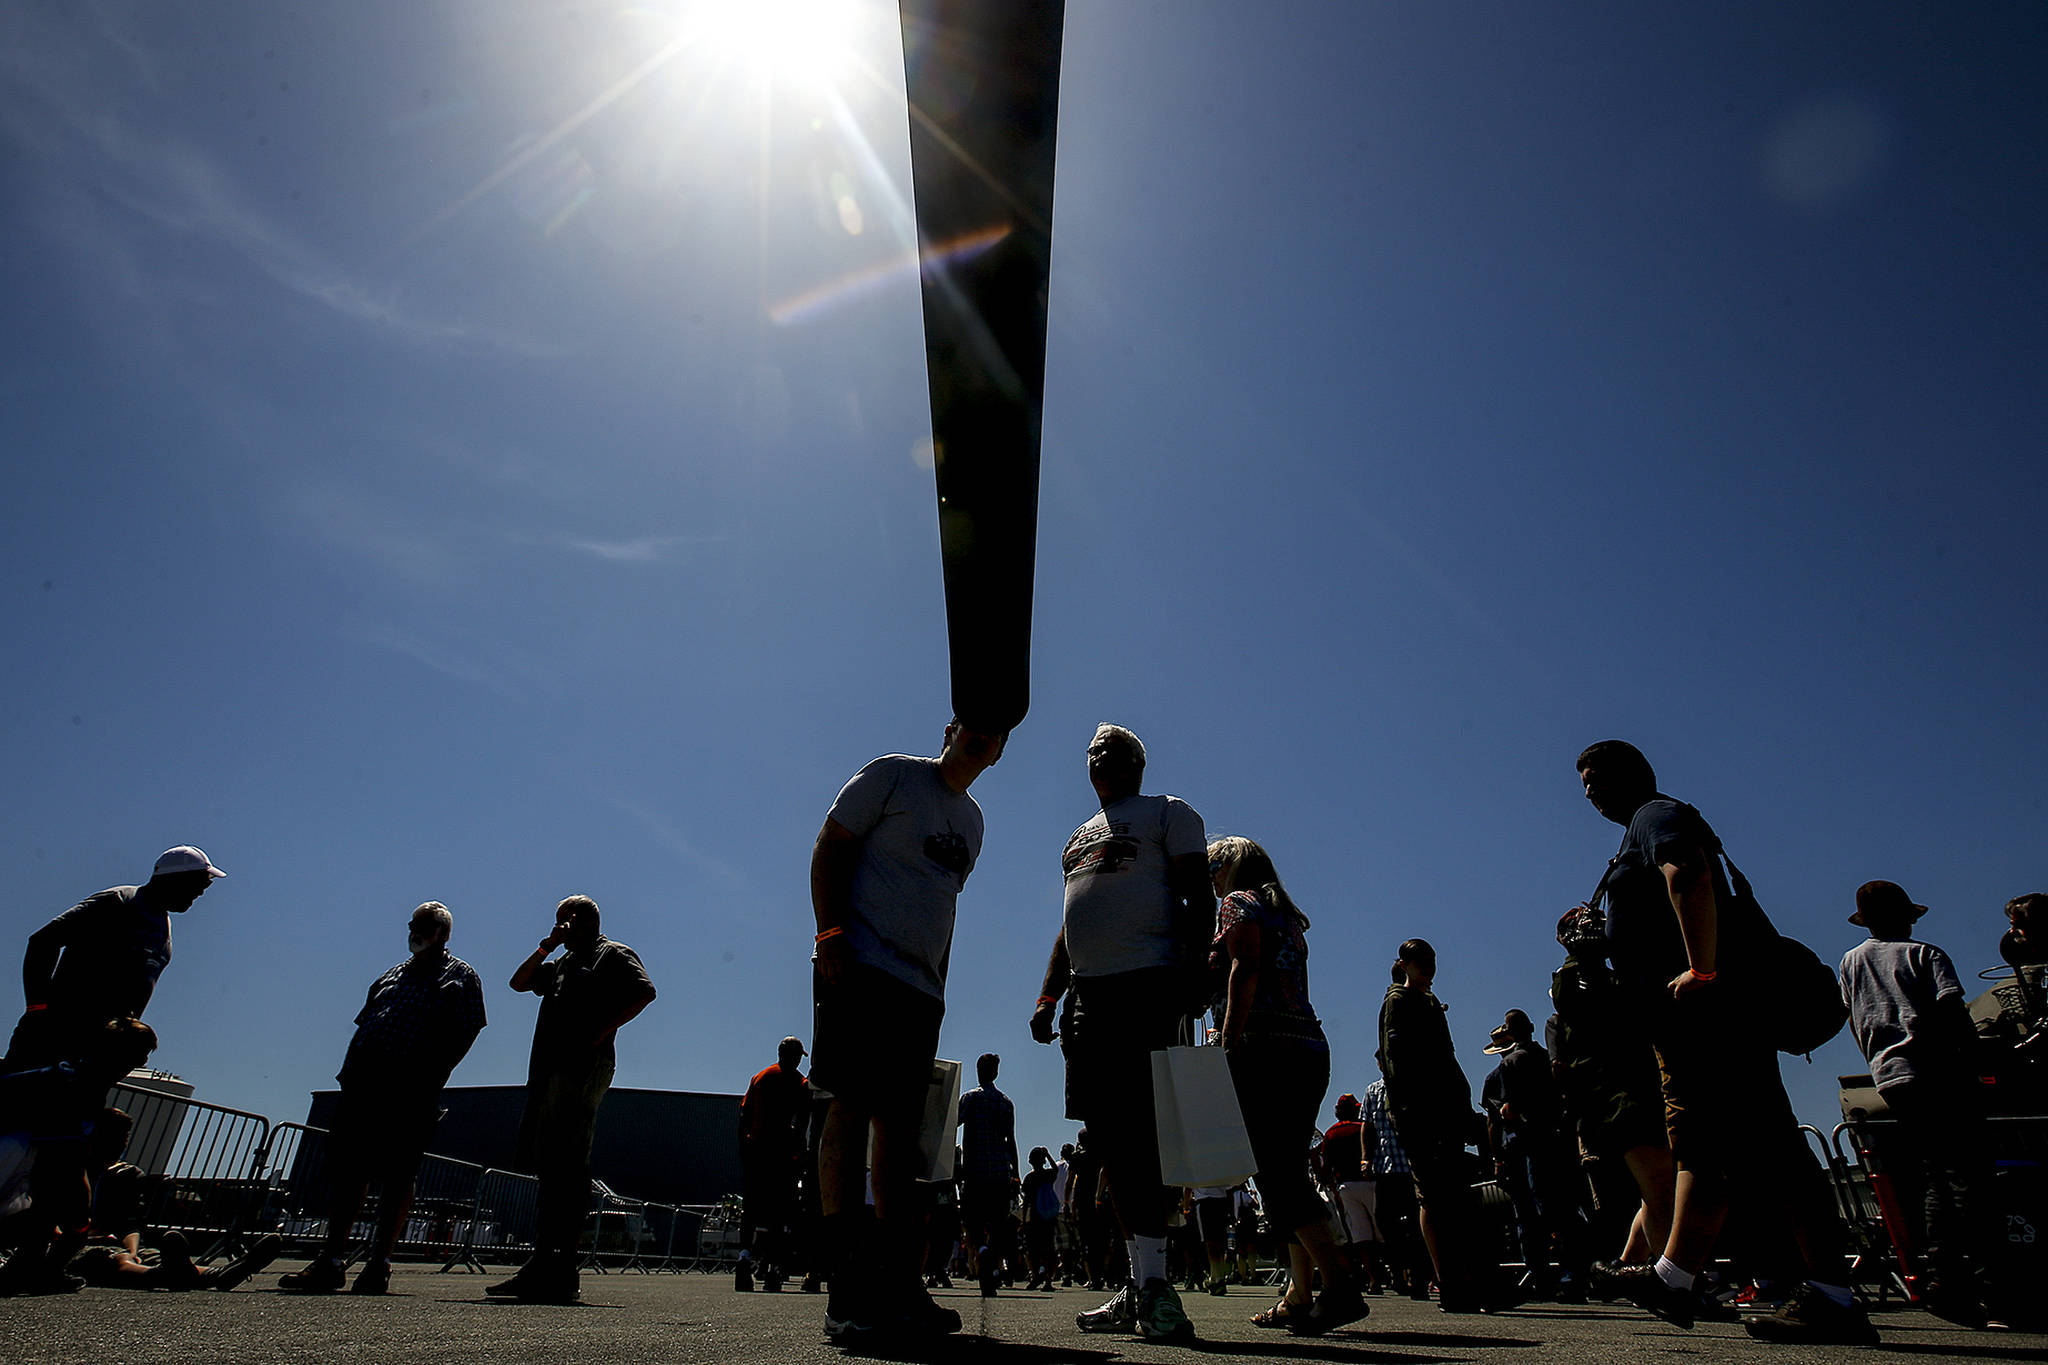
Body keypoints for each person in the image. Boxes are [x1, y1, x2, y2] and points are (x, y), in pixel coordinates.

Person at [1573, 739, 1873, 1344]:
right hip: (1688, 1024)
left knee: (1769, 1149)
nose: (1588, 791)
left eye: (1597, 777)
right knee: (1708, 1151)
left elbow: (1689, 874)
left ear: (1634, 775)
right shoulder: (1639, 829)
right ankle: (1676, 1278)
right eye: (1584, 782)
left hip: (1709, 1017)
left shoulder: (1657, 817)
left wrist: (1701, 971)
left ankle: (1834, 1298)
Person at [809, 719, 1005, 1342]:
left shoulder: (973, 823)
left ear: (1000, 751)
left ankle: (899, 1284)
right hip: (859, 964)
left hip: (921, 990)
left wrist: (939, 986)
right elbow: (832, 844)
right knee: (850, 1107)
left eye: (996, 733)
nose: (983, 737)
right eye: (974, 724)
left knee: (899, 1133)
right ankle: (847, 1285)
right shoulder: (894, 775)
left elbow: (941, 905)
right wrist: (830, 932)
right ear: (951, 729)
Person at [1029, 723, 1209, 1343]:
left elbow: (1196, 896)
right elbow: (1069, 926)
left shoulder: (1168, 814)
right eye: (1093, 751)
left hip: (1147, 985)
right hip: (1089, 997)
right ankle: (1140, 1284)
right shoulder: (1078, 838)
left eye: (1113, 749)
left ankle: (1157, 1287)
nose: (1099, 756)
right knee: (1107, 1139)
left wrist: (1194, 972)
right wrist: (1048, 996)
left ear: (1138, 762)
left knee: (1143, 1135)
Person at [278, 902, 486, 1295]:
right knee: (350, 1170)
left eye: (424, 926)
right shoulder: (390, 975)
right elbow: (368, 1020)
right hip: (362, 1085)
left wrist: (434, 1073)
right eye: (413, 925)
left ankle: (379, 1263)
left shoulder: (460, 975)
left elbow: (469, 1028)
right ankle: (332, 1260)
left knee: (398, 1174)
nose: (415, 931)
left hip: (412, 1088)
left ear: (443, 933)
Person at [1206, 836, 1363, 1335]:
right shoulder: (1288, 918)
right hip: (1307, 1047)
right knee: (1288, 1168)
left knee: (1274, 1173)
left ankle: (1338, 1283)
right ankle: (1299, 1291)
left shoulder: (1237, 904)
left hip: (1263, 1048)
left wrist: (1229, 1037)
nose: (1209, 875)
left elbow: (1245, 967)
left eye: (1214, 865)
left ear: (1233, 866)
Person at [486, 895, 656, 1304]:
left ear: (580, 919)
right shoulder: (560, 963)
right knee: (551, 1163)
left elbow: (644, 991)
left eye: (563, 920)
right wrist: (547, 945)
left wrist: (601, 1030)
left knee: (567, 1162)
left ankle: (560, 1266)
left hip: (582, 1067)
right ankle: (545, 1262)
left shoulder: (610, 953)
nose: (559, 927)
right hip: (549, 1070)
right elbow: (519, 982)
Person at [1838, 880, 1990, 1324]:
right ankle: (1973, 1277)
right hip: (1938, 1071)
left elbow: (1854, 1017)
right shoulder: (1926, 954)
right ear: (1906, 916)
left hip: (1890, 1076)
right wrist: (1974, 1060)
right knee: (1963, 1174)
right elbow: (1952, 1013)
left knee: (1931, 1174)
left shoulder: (1851, 962)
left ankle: (1936, 1272)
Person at [6, 846, 223, 1072]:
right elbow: (43, 941)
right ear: (176, 879)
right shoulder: (118, 902)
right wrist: (37, 1008)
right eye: (202, 882)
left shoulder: (163, 927)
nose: (202, 891)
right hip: (53, 1035)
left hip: (100, 1050)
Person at [1377, 938, 1502, 1311]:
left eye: (1431, 961)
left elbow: (1447, 1059)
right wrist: (1412, 1111)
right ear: (1405, 964)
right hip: (1419, 1112)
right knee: (1433, 1194)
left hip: (1444, 1110)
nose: (1428, 968)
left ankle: (1469, 1277)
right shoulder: (1398, 1001)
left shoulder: (1429, 1003)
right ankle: (1448, 1282)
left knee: (1455, 1195)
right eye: (1421, 962)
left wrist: (1462, 1107)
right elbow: (1397, 1063)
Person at [0, 1017, 159, 1294]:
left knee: (49, 1211)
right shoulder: (75, 1085)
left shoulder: (81, 1077)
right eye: (136, 1059)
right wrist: (79, 1208)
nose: (135, 1066)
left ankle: (33, 1266)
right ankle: (35, 1269)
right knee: (63, 1215)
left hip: (24, 1150)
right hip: (13, 1148)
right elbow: (62, 1157)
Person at [1482, 1008, 1587, 1301]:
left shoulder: (1507, 1067)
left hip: (1524, 1143)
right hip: (1557, 1138)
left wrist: (1497, 1156)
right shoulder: (1545, 1058)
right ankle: (1575, 1270)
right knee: (1562, 1208)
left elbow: (1502, 1114)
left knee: (1530, 1215)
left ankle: (1540, 1275)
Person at [736, 1035, 809, 1293]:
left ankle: (744, 1258)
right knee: (780, 1212)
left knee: (752, 1208)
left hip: (757, 1151)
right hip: (783, 1155)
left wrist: (745, 1149)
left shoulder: (760, 1078)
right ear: (797, 1056)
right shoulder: (801, 1083)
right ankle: (774, 1269)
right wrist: (800, 1156)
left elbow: (743, 1116)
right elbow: (801, 1125)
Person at [957, 1051, 1019, 1295]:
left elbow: (954, 1123)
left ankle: (981, 1251)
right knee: (997, 1223)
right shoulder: (1005, 1102)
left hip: (973, 1171)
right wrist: (1016, 1171)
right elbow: (1010, 1140)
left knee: (973, 1222)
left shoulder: (969, 1099)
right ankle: (990, 1260)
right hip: (999, 1172)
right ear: (996, 1072)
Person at [1314, 1092, 1384, 1292]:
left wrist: (1332, 1187)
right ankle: (1398, 1276)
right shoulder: (1363, 1128)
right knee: (1381, 1229)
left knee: (1360, 1234)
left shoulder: (1331, 1134)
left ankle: (1372, 1278)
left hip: (1346, 1186)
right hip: (1370, 1181)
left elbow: (1326, 1165)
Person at [1020, 1146, 1060, 1291]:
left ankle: (1035, 1275)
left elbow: (1026, 1202)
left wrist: (1024, 1220)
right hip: (1048, 1216)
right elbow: (1056, 1170)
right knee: (1048, 1248)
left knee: (1032, 1249)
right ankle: (1048, 1279)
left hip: (1035, 1217)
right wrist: (1048, 1154)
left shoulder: (1029, 1178)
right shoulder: (1047, 1175)